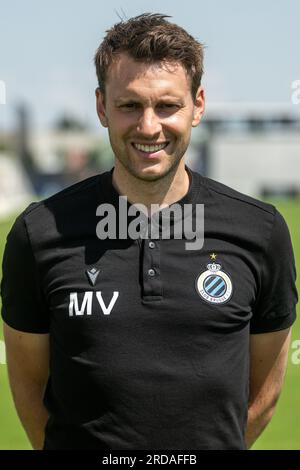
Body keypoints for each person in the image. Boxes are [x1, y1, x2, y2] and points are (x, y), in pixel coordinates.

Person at [1, 13, 298, 451]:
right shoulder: (39, 233)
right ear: (102, 107)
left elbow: (264, 393)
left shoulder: (261, 231)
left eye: (167, 106)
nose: (148, 127)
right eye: (129, 106)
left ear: (198, 105)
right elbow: (28, 389)